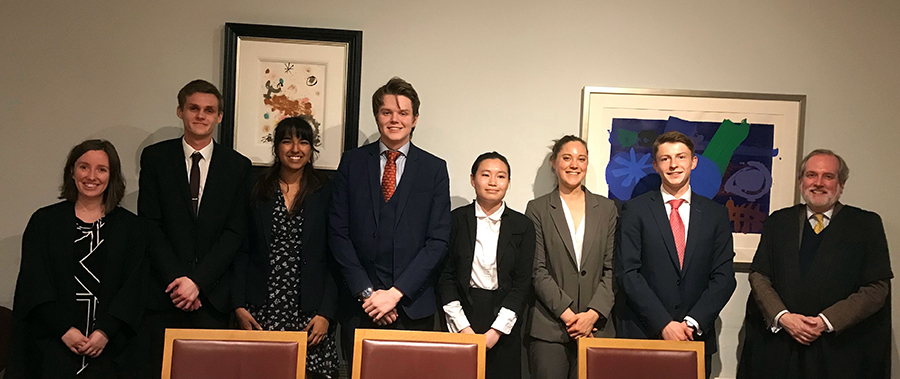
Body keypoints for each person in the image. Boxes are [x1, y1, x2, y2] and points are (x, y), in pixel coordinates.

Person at [737, 149, 892, 379]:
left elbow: (877, 288)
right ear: (801, 181)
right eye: (811, 175)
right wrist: (783, 317)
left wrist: (825, 322)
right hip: (780, 348)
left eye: (828, 176)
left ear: (841, 184)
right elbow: (759, 275)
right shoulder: (778, 222)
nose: (818, 183)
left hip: (839, 352)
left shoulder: (866, 225)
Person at [329, 77, 451, 358]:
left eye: (403, 113)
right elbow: (338, 232)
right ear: (377, 116)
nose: (395, 119)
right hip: (361, 308)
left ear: (415, 119)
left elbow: (438, 241)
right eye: (387, 112)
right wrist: (368, 294)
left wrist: (396, 293)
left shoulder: (434, 169)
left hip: (412, 308)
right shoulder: (352, 163)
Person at [137, 79, 251, 373]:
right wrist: (179, 280)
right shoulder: (155, 158)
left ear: (219, 116)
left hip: (211, 298)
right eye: (194, 108)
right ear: (180, 111)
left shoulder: (238, 166)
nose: (201, 115)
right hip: (165, 294)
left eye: (209, 110)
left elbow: (234, 232)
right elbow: (150, 225)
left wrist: (197, 282)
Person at [9, 140, 145, 378]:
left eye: (101, 169)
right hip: (53, 345)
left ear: (111, 176)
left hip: (111, 349)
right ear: (72, 171)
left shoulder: (131, 228)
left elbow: (134, 287)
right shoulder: (44, 222)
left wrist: (104, 332)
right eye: (84, 167)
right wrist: (64, 330)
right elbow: (34, 283)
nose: (91, 176)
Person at [616, 131, 736, 378]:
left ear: (693, 162)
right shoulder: (634, 210)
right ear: (655, 166)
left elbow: (724, 277)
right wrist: (664, 323)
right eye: (665, 159)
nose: (673, 165)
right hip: (644, 334)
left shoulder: (716, 215)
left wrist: (692, 323)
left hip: (695, 337)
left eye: (681, 157)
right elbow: (628, 273)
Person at [232, 116, 340, 378]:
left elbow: (336, 256)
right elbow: (241, 249)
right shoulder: (256, 186)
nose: (295, 149)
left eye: (303, 141)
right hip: (261, 310)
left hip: (310, 313)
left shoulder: (326, 189)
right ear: (276, 147)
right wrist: (238, 305)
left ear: (311, 148)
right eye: (287, 141)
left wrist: (326, 313)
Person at [525, 135, 617, 379]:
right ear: (554, 163)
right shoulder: (537, 208)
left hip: (597, 326)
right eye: (567, 158)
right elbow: (537, 270)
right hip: (550, 328)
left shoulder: (607, 209)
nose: (574, 165)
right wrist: (569, 316)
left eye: (581, 159)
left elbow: (613, 269)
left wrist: (592, 315)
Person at [439, 152, 535, 379]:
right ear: (473, 180)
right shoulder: (455, 220)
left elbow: (521, 284)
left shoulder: (523, 225)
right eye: (485, 175)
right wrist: (463, 328)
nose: (493, 182)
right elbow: (446, 276)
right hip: (461, 314)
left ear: (508, 183)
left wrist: (496, 331)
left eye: (501, 176)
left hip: (504, 320)